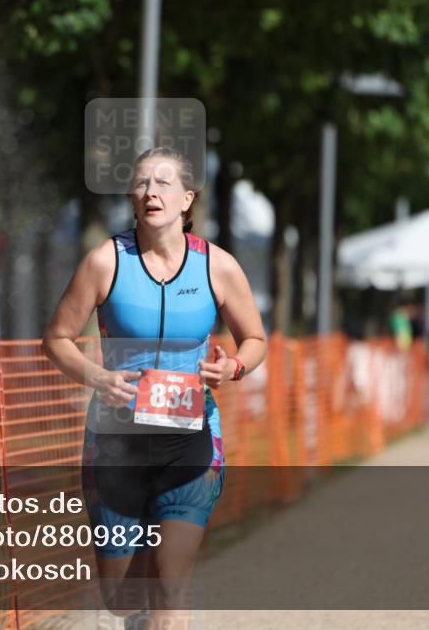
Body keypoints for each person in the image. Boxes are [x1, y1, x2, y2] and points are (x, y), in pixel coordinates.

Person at [43, 147, 266, 629]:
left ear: (187, 199)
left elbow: (255, 339)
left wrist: (234, 368)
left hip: (190, 441)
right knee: (122, 598)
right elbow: (56, 339)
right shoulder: (105, 262)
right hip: (117, 443)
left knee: (171, 583)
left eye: (163, 183)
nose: (150, 192)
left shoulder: (217, 266)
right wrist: (98, 377)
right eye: (142, 183)